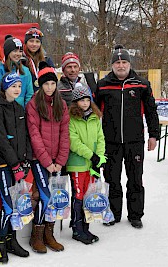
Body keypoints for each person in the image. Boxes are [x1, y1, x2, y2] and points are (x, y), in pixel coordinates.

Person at [94, 44, 159, 229]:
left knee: (135, 178)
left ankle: (135, 214)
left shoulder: (142, 84)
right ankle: (113, 212)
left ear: (129, 64)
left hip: (134, 140)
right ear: (112, 65)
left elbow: (151, 111)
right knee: (112, 178)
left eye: (124, 62)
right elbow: (93, 113)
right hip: (110, 142)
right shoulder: (103, 85)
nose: (121, 66)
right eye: (117, 62)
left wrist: (154, 135)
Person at [0, 73, 32, 264]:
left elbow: (24, 137)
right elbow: (0, 139)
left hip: (19, 165)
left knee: (16, 204)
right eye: (13, 86)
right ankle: (0, 243)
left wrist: (25, 160)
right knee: (7, 206)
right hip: (6, 165)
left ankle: (11, 240)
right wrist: (14, 164)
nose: (16, 89)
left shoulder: (19, 107)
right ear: (5, 87)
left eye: (19, 86)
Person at [26, 67, 69, 254]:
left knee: (55, 196)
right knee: (44, 196)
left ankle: (49, 233)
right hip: (40, 159)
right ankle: (36, 234)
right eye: (46, 84)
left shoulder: (61, 104)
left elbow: (65, 134)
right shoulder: (34, 104)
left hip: (57, 159)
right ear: (40, 85)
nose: (50, 87)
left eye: (53, 84)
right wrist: (46, 161)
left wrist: (60, 160)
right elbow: (34, 135)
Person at [66, 84, 105, 244]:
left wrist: (100, 157)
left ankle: (86, 227)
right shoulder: (72, 119)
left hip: (92, 164)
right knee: (79, 195)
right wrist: (92, 156)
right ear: (76, 102)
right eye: (81, 100)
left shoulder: (95, 117)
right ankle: (77, 228)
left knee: (89, 196)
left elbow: (100, 137)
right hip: (78, 164)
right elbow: (74, 142)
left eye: (87, 100)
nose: (85, 103)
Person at [0, 36, 34, 108]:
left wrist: (26, 110)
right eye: (15, 51)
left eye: (20, 51)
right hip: (4, 111)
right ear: (8, 52)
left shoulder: (25, 71)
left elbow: (29, 94)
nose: (18, 54)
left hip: (21, 111)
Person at [22, 27, 54, 92]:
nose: (34, 44)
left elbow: (53, 81)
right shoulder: (21, 60)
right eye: (31, 41)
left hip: (42, 96)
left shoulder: (47, 61)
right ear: (26, 42)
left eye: (37, 41)